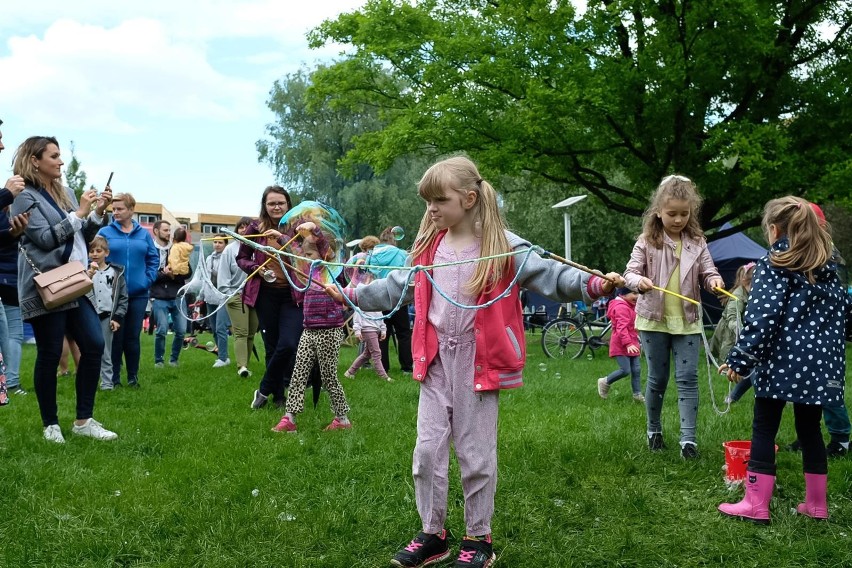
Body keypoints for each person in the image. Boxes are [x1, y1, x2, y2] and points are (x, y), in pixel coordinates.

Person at [329, 156, 622, 568]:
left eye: (439, 200)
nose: (430, 209)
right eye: (427, 201)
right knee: (427, 452)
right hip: (435, 363)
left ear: (468, 198)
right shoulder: (429, 248)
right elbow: (398, 284)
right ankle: (434, 534)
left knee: (475, 454)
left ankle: (478, 538)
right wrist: (354, 296)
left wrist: (594, 284)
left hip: (478, 362)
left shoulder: (502, 245)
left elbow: (552, 276)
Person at [718, 196, 851, 523]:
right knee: (811, 431)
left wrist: (740, 360)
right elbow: (844, 320)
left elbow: (762, 319)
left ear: (774, 230)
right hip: (821, 369)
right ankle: (817, 505)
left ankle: (755, 503)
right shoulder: (831, 270)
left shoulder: (774, 264)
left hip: (781, 366)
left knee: (764, 428)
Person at [10, 136, 117, 442]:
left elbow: (82, 236)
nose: (60, 161)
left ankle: (83, 421)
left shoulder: (67, 192)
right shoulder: (24, 197)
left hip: (75, 282)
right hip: (49, 285)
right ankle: (50, 423)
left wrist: (96, 213)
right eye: (54, 156)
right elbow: (44, 239)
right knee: (49, 351)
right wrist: (80, 214)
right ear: (35, 160)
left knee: (94, 345)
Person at [623, 174, 724, 459]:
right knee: (657, 379)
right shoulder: (646, 241)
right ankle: (654, 431)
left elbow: (708, 271)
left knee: (688, 378)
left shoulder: (698, 241)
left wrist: (714, 281)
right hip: (653, 320)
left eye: (684, 213)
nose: (678, 219)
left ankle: (688, 441)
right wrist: (638, 282)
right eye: (672, 214)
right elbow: (630, 272)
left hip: (687, 322)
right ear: (658, 211)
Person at [272, 223, 352, 432]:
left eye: (311, 252)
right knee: (299, 372)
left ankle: (342, 419)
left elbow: (326, 248)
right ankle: (290, 418)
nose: (306, 256)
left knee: (328, 376)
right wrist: (280, 237)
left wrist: (315, 230)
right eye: (306, 253)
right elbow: (294, 252)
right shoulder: (309, 270)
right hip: (309, 328)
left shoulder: (331, 267)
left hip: (329, 329)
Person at [237, 186, 304, 409]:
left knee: (289, 343)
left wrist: (284, 237)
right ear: (265, 206)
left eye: (281, 203)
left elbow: (307, 253)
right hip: (265, 294)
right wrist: (257, 267)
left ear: (288, 204)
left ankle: (264, 388)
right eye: (271, 203)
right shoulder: (255, 228)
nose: (276, 207)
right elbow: (242, 258)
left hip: (292, 294)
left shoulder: (297, 227)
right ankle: (278, 396)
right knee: (272, 346)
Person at [97, 192, 158, 387]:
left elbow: (153, 258)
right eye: (113, 209)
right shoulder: (105, 233)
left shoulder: (143, 234)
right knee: (115, 338)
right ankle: (113, 378)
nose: (115, 212)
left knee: (132, 337)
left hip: (138, 293)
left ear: (131, 210)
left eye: (120, 209)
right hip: (113, 295)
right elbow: (96, 256)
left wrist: (147, 279)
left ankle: (133, 377)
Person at [0, 118, 31, 398]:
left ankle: (10, 382)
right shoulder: (7, 195)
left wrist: (13, 234)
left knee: (12, 332)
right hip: (6, 274)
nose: (1, 144)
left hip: (11, 276)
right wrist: (5, 194)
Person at [706, 262, 756, 404]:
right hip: (732, 336)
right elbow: (733, 319)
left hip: (747, 338)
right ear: (746, 281)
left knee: (751, 367)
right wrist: (745, 334)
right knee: (752, 367)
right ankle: (764, 397)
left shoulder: (751, 293)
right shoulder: (737, 297)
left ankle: (732, 398)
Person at [370, 227, 414, 375]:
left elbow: (369, 273)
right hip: (397, 296)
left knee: (383, 333)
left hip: (379, 295)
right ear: (393, 239)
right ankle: (407, 367)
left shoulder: (372, 255)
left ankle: (383, 367)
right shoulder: (400, 253)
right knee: (403, 332)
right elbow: (407, 272)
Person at [87, 236, 128, 391]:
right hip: (89, 316)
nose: (95, 254)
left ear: (106, 253)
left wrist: (117, 317)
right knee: (89, 350)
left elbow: (123, 298)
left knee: (105, 351)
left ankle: (107, 383)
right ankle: (90, 381)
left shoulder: (116, 273)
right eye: (92, 251)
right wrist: (88, 274)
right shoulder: (85, 272)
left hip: (107, 316)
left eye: (99, 250)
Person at [219, 217, 257, 377]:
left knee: (250, 333)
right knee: (240, 332)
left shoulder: (257, 248)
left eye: (247, 227)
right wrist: (229, 294)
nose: (243, 230)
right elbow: (223, 275)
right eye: (240, 227)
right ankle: (241, 366)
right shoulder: (230, 250)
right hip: (236, 295)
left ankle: (245, 365)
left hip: (255, 296)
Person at [150, 220, 188, 370]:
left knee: (181, 331)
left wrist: (176, 272)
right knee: (162, 330)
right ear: (156, 231)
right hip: (159, 297)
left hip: (178, 295)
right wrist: (165, 274)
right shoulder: (150, 250)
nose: (168, 233)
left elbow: (187, 272)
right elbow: (150, 275)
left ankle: (173, 360)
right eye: (165, 230)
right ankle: (159, 361)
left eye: (169, 230)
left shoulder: (177, 248)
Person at [597, 288, 643, 402]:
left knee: (636, 370)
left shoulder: (630, 306)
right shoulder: (621, 307)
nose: (637, 296)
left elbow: (631, 326)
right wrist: (628, 343)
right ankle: (605, 382)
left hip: (632, 342)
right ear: (622, 295)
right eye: (634, 293)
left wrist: (636, 337)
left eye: (638, 293)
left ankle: (637, 394)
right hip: (621, 344)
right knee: (625, 370)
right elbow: (621, 328)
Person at [343, 307, 390, 381]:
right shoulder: (362, 303)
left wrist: (383, 330)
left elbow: (381, 318)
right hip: (368, 330)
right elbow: (357, 318)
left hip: (375, 330)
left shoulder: (377, 304)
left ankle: (349, 372)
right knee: (376, 353)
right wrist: (357, 331)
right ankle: (383, 376)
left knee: (366, 354)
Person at [205, 233, 231, 368]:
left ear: (225, 244)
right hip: (210, 297)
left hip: (223, 297)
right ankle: (223, 355)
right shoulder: (209, 258)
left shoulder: (228, 257)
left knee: (221, 327)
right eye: (215, 242)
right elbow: (205, 277)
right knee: (214, 328)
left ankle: (223, 358)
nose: (217, 245)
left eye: (220, 242)